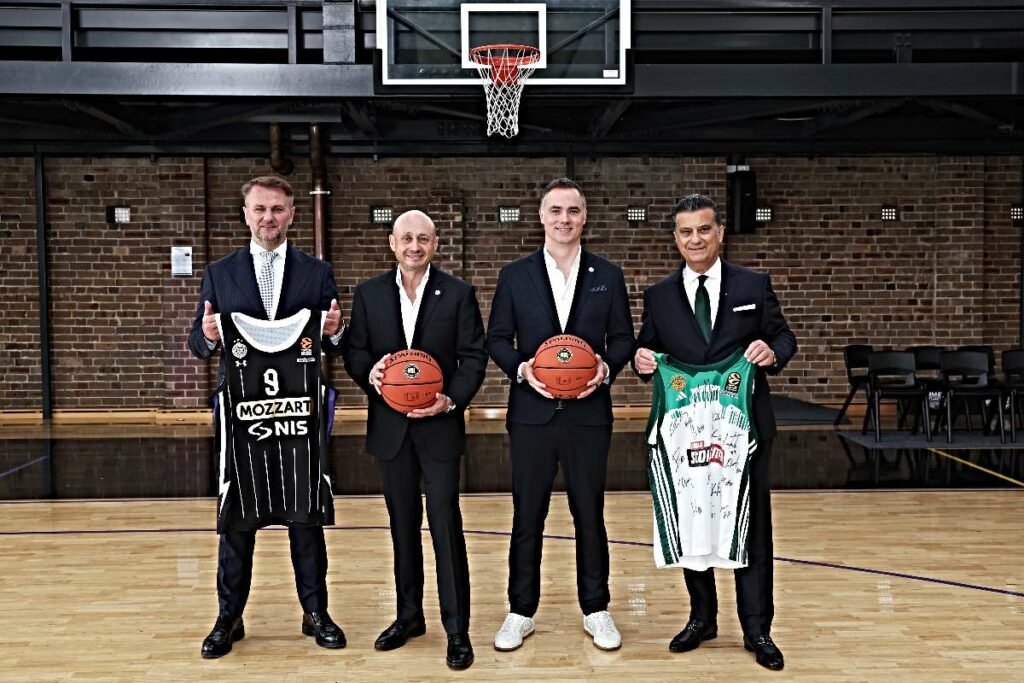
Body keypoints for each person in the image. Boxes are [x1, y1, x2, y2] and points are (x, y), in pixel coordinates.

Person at [632, 193, 796, 671]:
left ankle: (757, 628)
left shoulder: (753, 284)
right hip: (687, 433)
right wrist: (641, 361)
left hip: (744, 429)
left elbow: (784, 336)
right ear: (675, 238)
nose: (695, 239)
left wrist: (773, 351)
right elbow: (647, 349)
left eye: (704, 229)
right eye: (686, 231)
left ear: (720, 233)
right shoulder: (659, 296)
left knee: (751, 524)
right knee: (693, 516)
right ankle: (702, 618)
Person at [188, 175, 346, 658]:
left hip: (299, 412)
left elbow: (337, 341)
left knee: (305, 516)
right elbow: (198, 344)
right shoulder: (219, 273)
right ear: (245, 214)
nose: (268, 217)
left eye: (277, 209)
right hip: (242, 415)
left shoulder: (316, 272)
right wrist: (209, 335)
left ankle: (315, 611)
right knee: (237, 519)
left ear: (292, 214)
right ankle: (228, 617)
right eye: (259, 209)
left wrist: (335, 331)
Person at [486, 178, 635, 652]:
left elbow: (623, 338)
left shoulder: (608, 275)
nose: (564, 219)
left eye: (572, 211)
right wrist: (522, 369)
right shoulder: (515, 275)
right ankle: (520, 611)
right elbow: (496, 339)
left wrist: (607, 368)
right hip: (531, 414)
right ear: (541, 216)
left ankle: (596, 608)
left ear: (584, 217)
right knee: (527, 515)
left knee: (589, 513)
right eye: (555, 210)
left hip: (588, 414)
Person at [343, 210, 487, 670]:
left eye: (423, 239)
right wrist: (370, 373)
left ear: (435, 243)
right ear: (392, 242)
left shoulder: (458, 294)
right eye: (406, 238)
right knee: (402, 528)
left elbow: (474, 357)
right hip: (391, 430)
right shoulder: (369, 294)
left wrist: (450, 400)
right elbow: (355, 351)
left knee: (445, 527)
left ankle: (457, 630)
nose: (414, 247)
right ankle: (408, 617)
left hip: (439, 427)